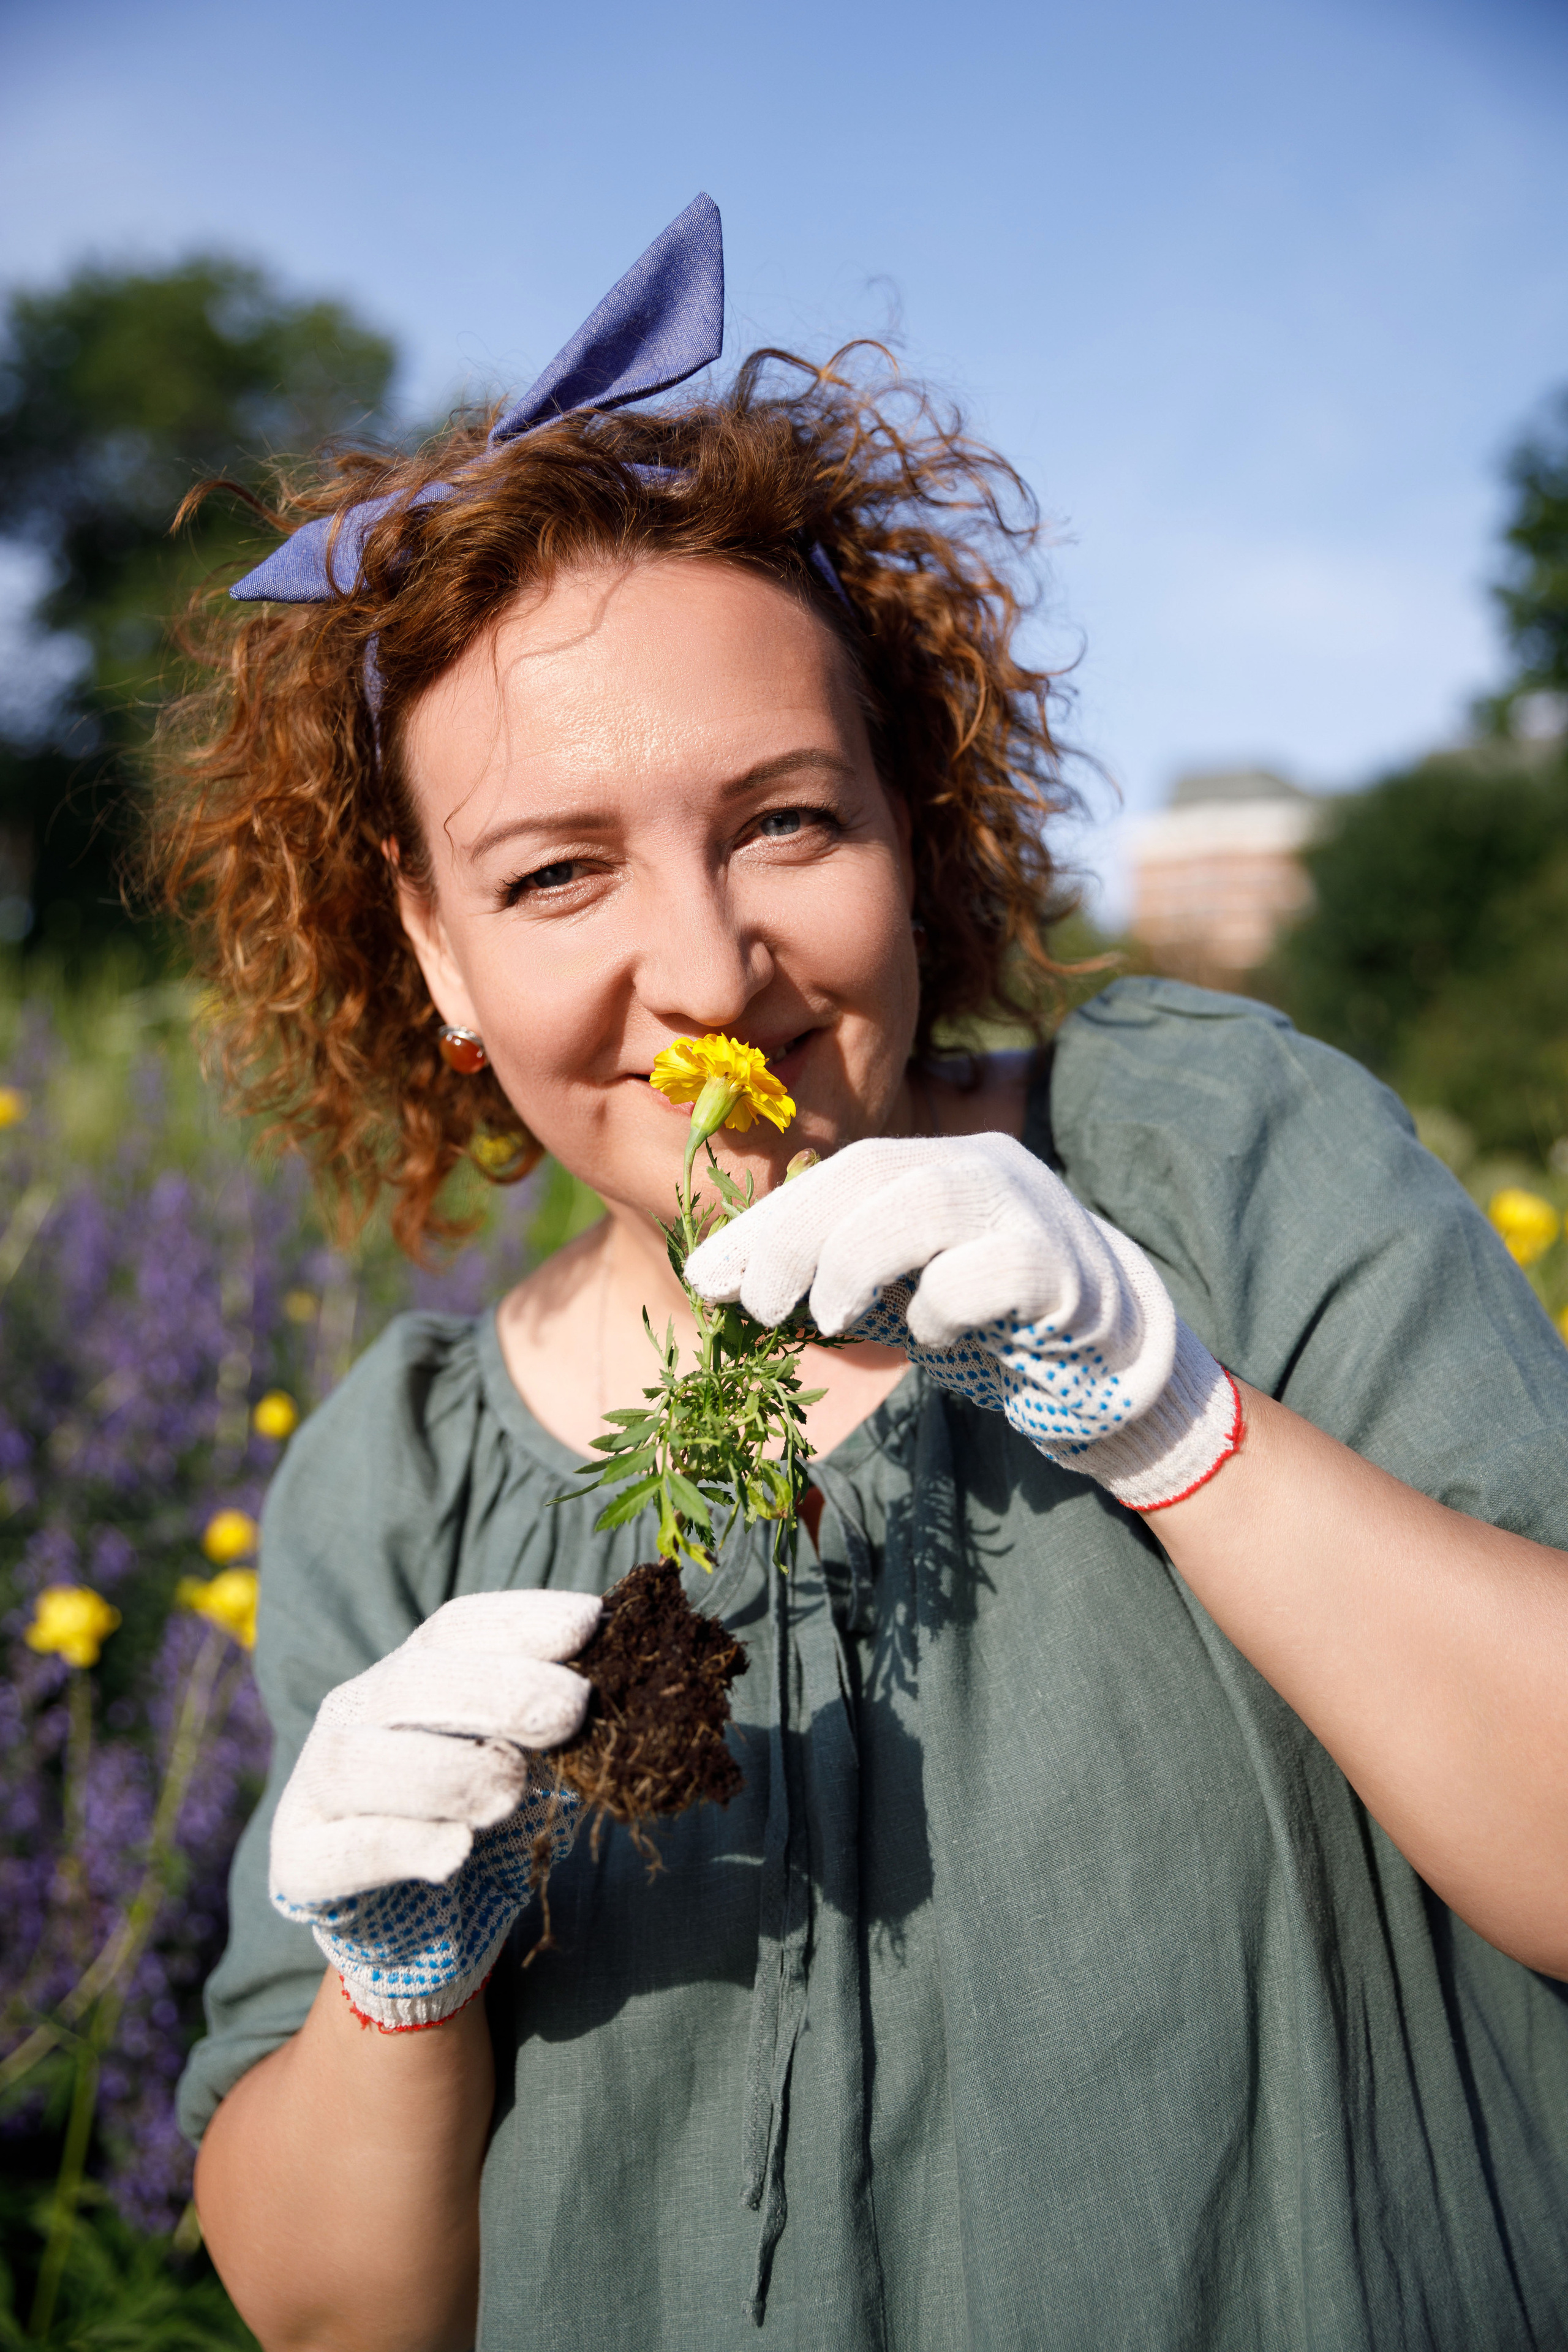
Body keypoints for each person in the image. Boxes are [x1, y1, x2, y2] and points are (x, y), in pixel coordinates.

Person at [159, 198, 1568, 2352]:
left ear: (910, 821)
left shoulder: (1210, 1161)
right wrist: (390, 1981)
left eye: (786, 823)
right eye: (554, 874)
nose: (711, 968)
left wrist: (1179, 1425)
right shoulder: (396, 1476)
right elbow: (340, 2315)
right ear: (435, 948)